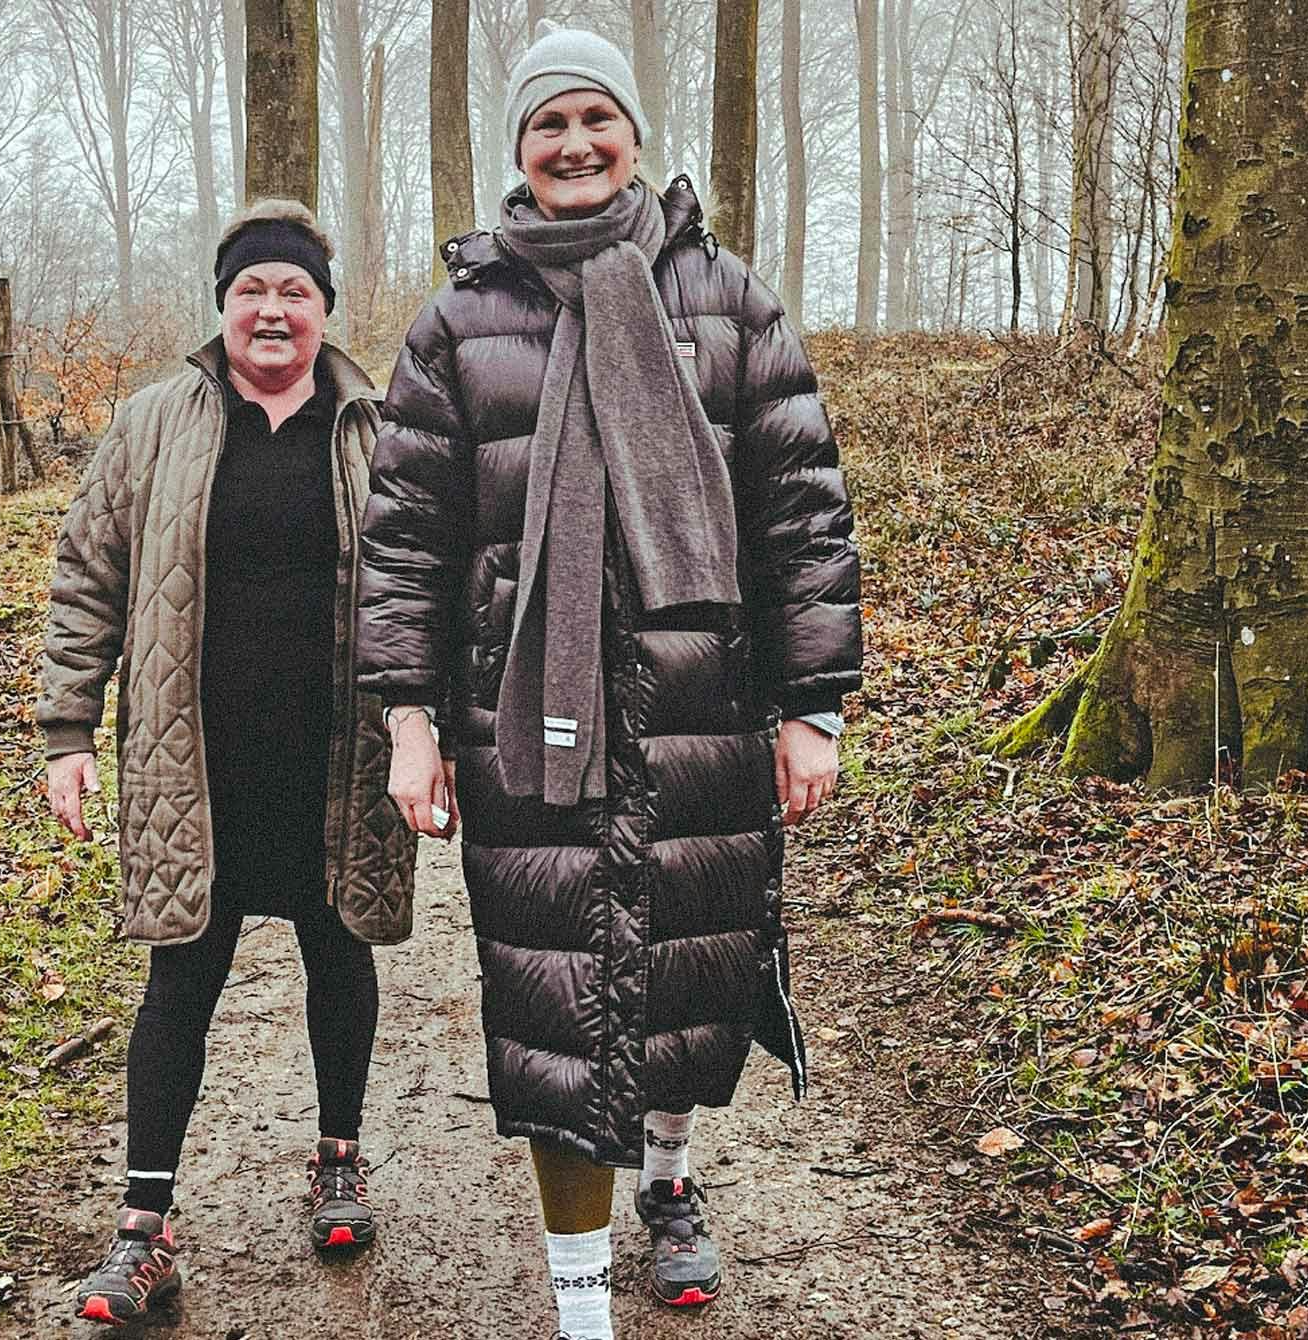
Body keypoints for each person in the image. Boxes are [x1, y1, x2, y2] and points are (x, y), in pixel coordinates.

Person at [355, 20, 861, 1340]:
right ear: (516, 153)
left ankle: (674, 1189)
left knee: (690, 973)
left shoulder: (729, 302)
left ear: (636, 134)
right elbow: (403, 537)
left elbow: (801, 515)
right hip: (526, 728)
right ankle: (583, 1307)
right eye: (546, 126)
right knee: (557, 1009)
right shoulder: (460, 322)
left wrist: (812, 709)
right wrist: (411, 725)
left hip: (704, 707)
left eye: (596, 119)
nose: (574, 144)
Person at [38, 198, 418, 1326]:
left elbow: (427, 593)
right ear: (220, 304)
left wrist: (429, 729)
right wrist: (66, 730)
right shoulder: (154, 421)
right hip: (190, 758)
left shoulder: (376, 429)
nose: (270, 308)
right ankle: (142, 1229)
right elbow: (85, 575)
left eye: (293, 290)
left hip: (333, 760)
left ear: (323, 310)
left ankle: (338, 1160)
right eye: (251, 287)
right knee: (179, 981)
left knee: (338, 952)